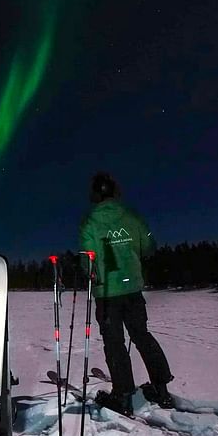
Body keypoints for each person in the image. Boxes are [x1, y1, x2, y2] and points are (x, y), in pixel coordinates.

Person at [79, 172, 174, 416]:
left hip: (108, 293)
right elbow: (149, 246)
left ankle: (122, 395)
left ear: (96, 195)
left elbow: (87, 260)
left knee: (114, 342)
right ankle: (161, 388)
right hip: (132, 290)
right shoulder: (132, 217)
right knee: (141, 335)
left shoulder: (90, 222)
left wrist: (92, 271)